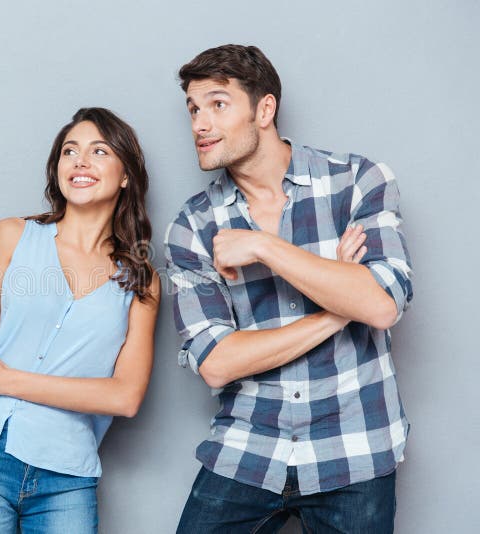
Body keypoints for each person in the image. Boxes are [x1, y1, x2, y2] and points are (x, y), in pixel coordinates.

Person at [165, 45, 413, 533]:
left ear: (264, 109)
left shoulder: (357, 181)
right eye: (193, 109)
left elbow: (382, 305)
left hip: (354, 445)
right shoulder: (193, 226)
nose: (199, 123)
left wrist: (264, 247)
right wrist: (339, 310)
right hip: (248, 447)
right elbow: (216, 362)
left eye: (217, 104)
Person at [0, 107, 160, 533]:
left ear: (126, 174)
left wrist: (7, 381)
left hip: (66, 475)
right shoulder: (12, 235)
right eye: (69, 151)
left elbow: (125, 397)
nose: (80, 161)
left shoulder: (141, 280)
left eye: (99, 151)